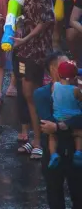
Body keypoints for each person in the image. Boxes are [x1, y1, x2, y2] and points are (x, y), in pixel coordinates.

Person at [13, 0, 55, 160]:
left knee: (33, 93)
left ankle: (40, 140)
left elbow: (46, 19)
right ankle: (35, 138)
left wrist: (25, 39)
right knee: (28, 92)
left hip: (35, 49)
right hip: (27, 47)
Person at [34, 52, 82, 207]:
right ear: (54, 69)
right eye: (65, 64)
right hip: (54, 151)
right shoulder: (41, 94)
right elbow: (46, 122)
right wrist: (72, 128)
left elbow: (53, 126)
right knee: (54, 195)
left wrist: (59, 127)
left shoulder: (78, 90)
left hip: (75, 152)